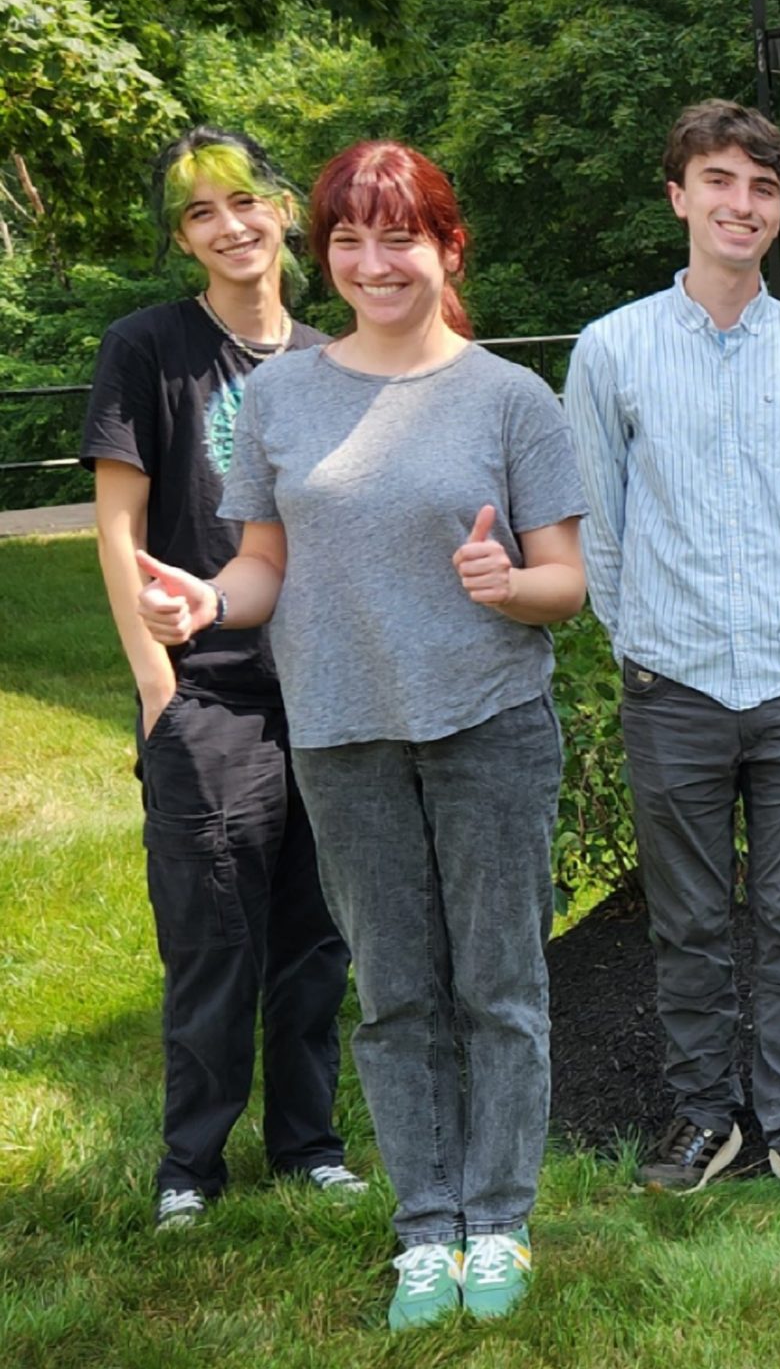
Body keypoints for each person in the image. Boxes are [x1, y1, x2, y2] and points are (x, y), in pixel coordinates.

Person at [136, 140, 587, 1328]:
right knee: (392, 994)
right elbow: (264, 564)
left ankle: (499, 1222)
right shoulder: (280, 395)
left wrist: (508, 583)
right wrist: (204, 603)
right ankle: (425, 1230)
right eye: (349, 236)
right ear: (323, 248)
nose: (373, 261)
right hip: (341, 732)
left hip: (488, 722)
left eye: (399, 236)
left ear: (446, 246)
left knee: (496, 985)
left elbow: (570, 584)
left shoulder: (510, 398)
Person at [562, 101, 780, 1194]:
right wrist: (642, 640)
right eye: (722, 181)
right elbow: (596, 521)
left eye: (765, 188)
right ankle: (707, 1120)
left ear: (779, 211)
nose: (742, 204)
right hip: (672, 685)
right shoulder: (613, 351)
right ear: (679, 196)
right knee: (688, 927)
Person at [82, 127, 361, 1233]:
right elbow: (118, 522)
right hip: (207, 693)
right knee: (210, 939)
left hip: (325, 692)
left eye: (245, 201)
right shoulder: (148, 347)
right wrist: (156, 684)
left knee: (316, 938)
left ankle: (309, 1145)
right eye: (201, 213)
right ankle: (190, 1167)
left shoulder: (336, 360)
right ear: (184, 239)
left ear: (286, 210)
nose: (230, 227)